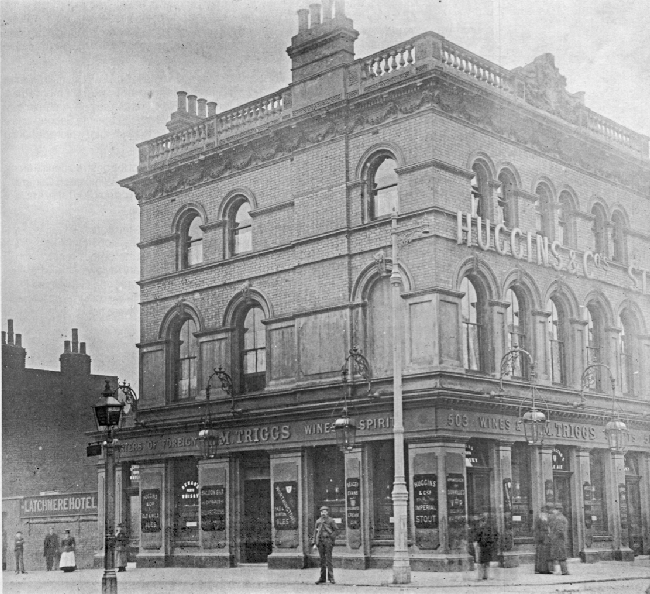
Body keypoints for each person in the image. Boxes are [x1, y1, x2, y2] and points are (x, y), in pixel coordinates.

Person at [311, 505, 338, 585]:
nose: (323, 513)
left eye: (325, 511)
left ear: (327, 512)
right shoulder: (318, 521)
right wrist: (315, 542)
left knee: (329, 560)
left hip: (328, 541)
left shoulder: (331, 520)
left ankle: (331, 578)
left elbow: (336, 531)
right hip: (320, 541)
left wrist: (331, 539)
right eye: (322, 512)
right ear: (320, 512)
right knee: (322, 560)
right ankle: (322, 578)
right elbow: (315, 532)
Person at [474, 513, 499, 580]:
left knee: (481, 562)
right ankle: (486, 575)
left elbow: (478, 537)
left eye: (481, 521)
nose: (480, 522)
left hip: (483, 546)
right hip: (488, 546)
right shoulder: (491, 527)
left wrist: (478, 542)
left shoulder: (482, 528)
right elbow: (496, 535)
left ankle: (481, 576)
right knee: (486, 562)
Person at [549, 505, 570, 575]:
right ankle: (561, 571)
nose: (553, 511)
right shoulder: (561, 518)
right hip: (560, 540)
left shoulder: (559, 519)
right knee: (559, 555)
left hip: (558, 540)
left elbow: (560, 531)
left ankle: (563, 571)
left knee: (559, 555)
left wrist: (553, 538)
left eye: (554, 510)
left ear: (558, 510)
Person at [534, 504, 552, 574]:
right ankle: (541, 569)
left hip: (546, 537)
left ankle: (546, 569)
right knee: (541, 554)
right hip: (542, 538)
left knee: (546, 554)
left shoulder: (546, 517)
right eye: (545, 510)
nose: (547, 512)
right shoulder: (539, 517)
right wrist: (540, 537)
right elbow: (536, 529)